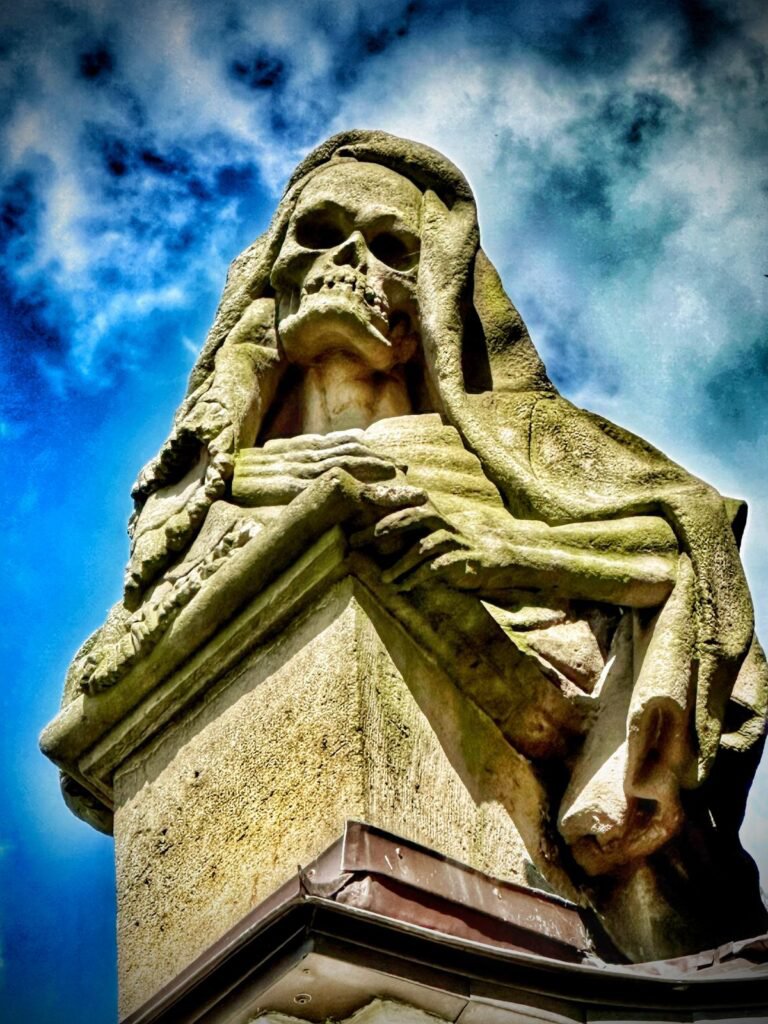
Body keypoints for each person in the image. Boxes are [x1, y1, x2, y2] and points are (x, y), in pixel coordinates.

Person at [79, 131, 768, 958]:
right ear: (276, 277)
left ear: (426, 307)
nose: (348, 261)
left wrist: (508, 549)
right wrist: (236, 453)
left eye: (390, 248)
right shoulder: (222, 497)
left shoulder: (506, 464)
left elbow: (686, 543)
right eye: (319, 234)